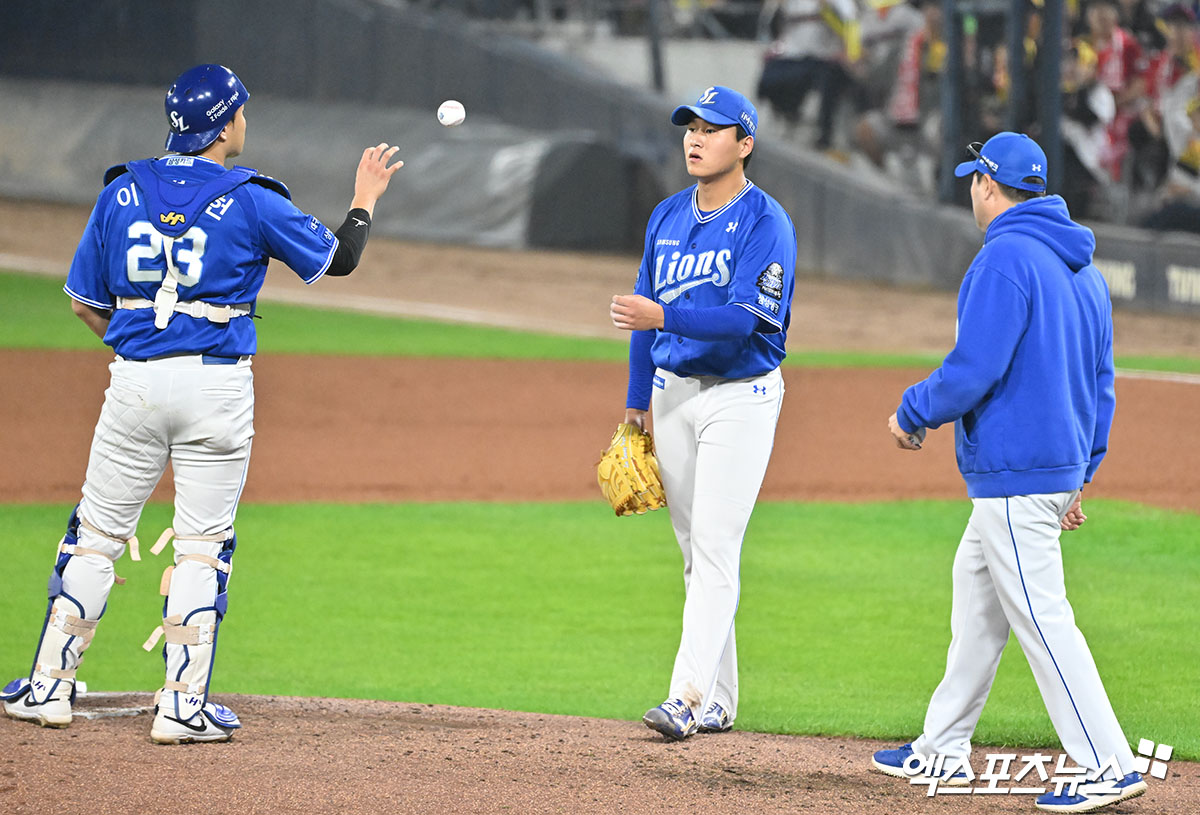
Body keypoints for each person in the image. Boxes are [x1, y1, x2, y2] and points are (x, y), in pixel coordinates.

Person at [1, 64, 403, 744]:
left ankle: (48, 686)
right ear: (223, 125)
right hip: (217, 387)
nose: (247, 119)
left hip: (134, 382)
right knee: (202, 547)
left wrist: (141, 349)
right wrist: (364, 198)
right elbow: (339, 260)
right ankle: (182, 706)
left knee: (95, 535)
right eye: (241, 110)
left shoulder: (121, 190)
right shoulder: (252, 197)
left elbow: (82, 302)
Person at [870, 132, 1146, 813]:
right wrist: (1084, 470)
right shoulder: (1082, 268)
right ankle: (943, 745)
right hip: (1048, 469)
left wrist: (914, 411)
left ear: (988, 187)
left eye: (975, 180)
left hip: (1019, 474)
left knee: (1043, 617)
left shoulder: (1004, 260)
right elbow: (1101, 381)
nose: (972, 190)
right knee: (977, 596)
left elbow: (974, 368)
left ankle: (1107, 761)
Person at [609, 85, 797, 740]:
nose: (695, 136)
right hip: (672, 396)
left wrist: (663, 316)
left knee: (716, 547)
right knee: (696, 552)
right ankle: (719, 698)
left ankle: (685, 697)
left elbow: (744, 323)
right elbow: (641, 318)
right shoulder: (666, 216)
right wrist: (636, 403)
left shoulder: (766, 222)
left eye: (713, 129)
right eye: (690, 125)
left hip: (741, 398)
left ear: (744, 144)